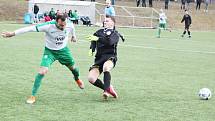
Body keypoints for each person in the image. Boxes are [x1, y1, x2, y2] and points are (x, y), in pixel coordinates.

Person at [1, 14, 84, 104]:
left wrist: (74, 36)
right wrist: (13, 33)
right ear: (56, 21)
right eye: (60, 25)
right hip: (50, 52)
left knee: (74, 69)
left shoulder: (69, 24)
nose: (63, 27)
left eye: (64, 25)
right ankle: (33, 95)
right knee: (42, 72)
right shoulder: (47, 26)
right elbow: (30, 28)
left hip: (63, 51)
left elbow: (72, 29)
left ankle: (77, 79)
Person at [86, 15, 125, 99]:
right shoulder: (99, 32)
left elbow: (109, 42)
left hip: (110, 57)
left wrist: (98, 39)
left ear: (113, 23)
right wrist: (91, 49)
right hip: (99, 59)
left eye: (107, 21)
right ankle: (108, 87)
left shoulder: (115, 34)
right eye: (104, 21)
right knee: (91, 78)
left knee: (106, 67)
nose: (105, 22)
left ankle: (106, 91)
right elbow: (93, 39)